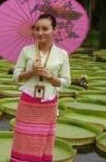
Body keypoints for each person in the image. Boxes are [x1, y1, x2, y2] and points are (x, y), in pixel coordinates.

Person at [10, 13, 71, 162]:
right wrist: (31, 72)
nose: (40, 33)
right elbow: (16, 76)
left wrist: (51, 77)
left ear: (54, 30)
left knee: (43, 140)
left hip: (48, 103)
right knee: (24, 139)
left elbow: (66, 81)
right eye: (37, 29)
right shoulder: (26, 51)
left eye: (45, 28)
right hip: (27, 102)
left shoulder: (62, 54)